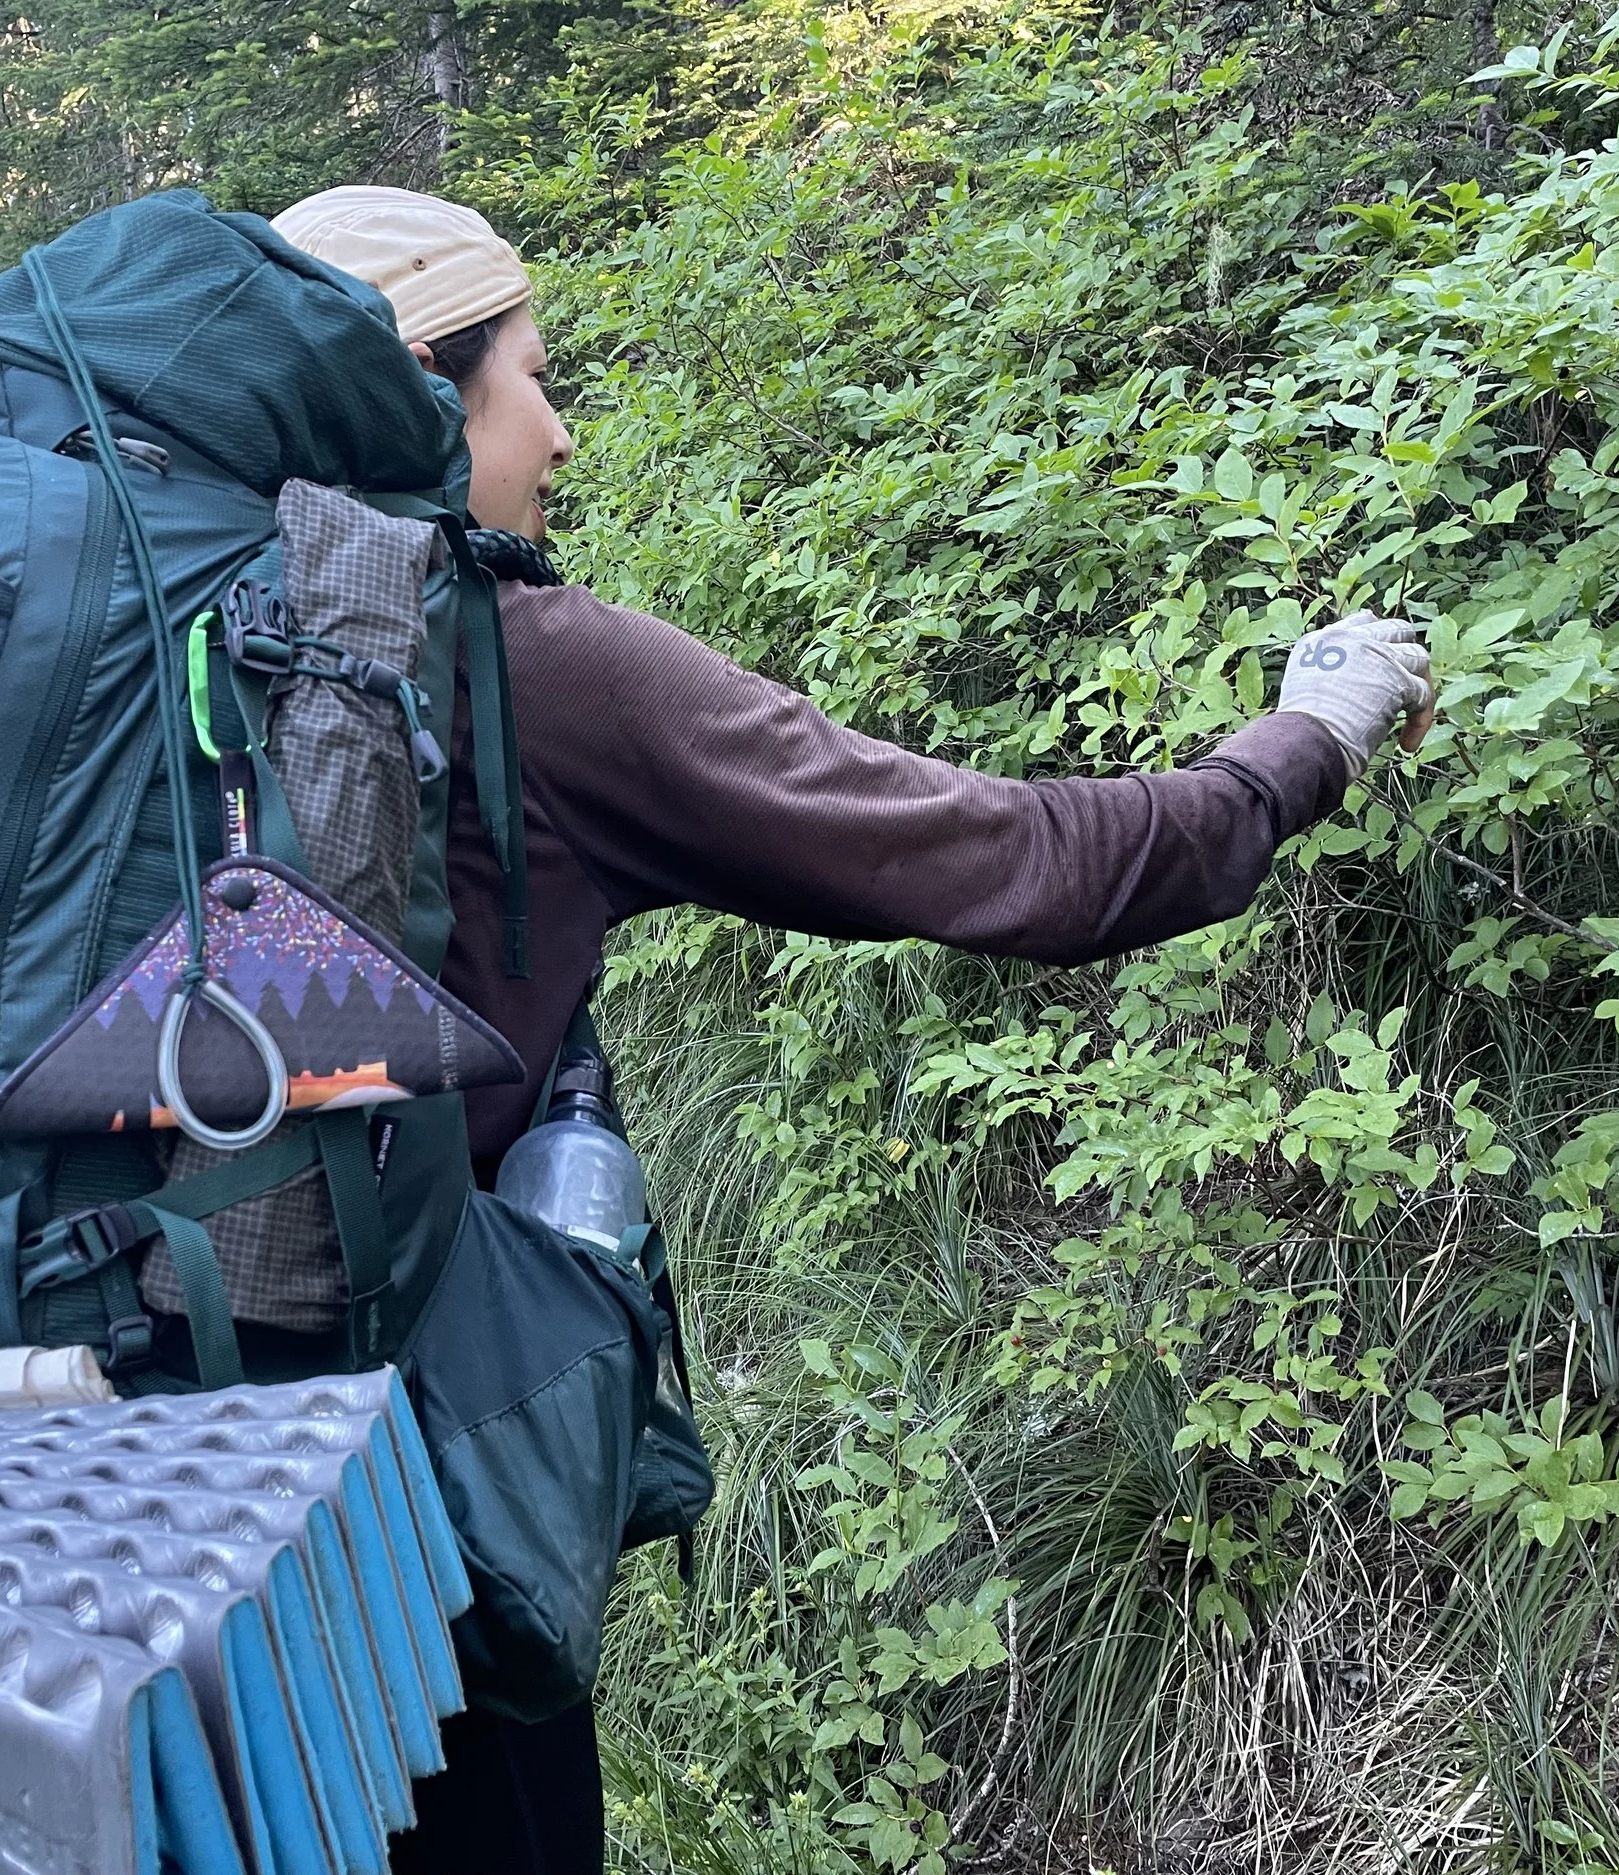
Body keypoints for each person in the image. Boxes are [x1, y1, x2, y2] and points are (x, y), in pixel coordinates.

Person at [270, 184, 1437, 1874]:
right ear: (427, 408)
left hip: (105, 1470)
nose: (564, 433)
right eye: (533, 375)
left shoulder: (165, 658)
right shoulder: (520, 667)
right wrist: (1304, 735)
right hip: (405, 1507)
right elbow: (1023, 864)